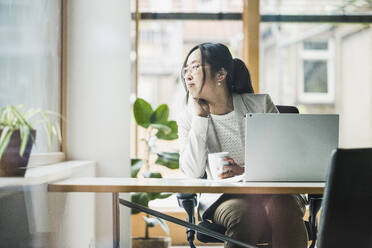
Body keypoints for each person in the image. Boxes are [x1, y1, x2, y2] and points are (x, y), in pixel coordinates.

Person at [176, 42, 308, 248]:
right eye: (186, 69)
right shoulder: (188, 118)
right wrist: (200, 118)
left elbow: (283, 161)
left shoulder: (261, 105)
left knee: (284, 206)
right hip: (225, 197)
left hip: (275, 190)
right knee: (247, 215)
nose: (188, 75)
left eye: (195, 67)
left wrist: (244, 171)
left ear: (221, 74)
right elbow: (193, 171)